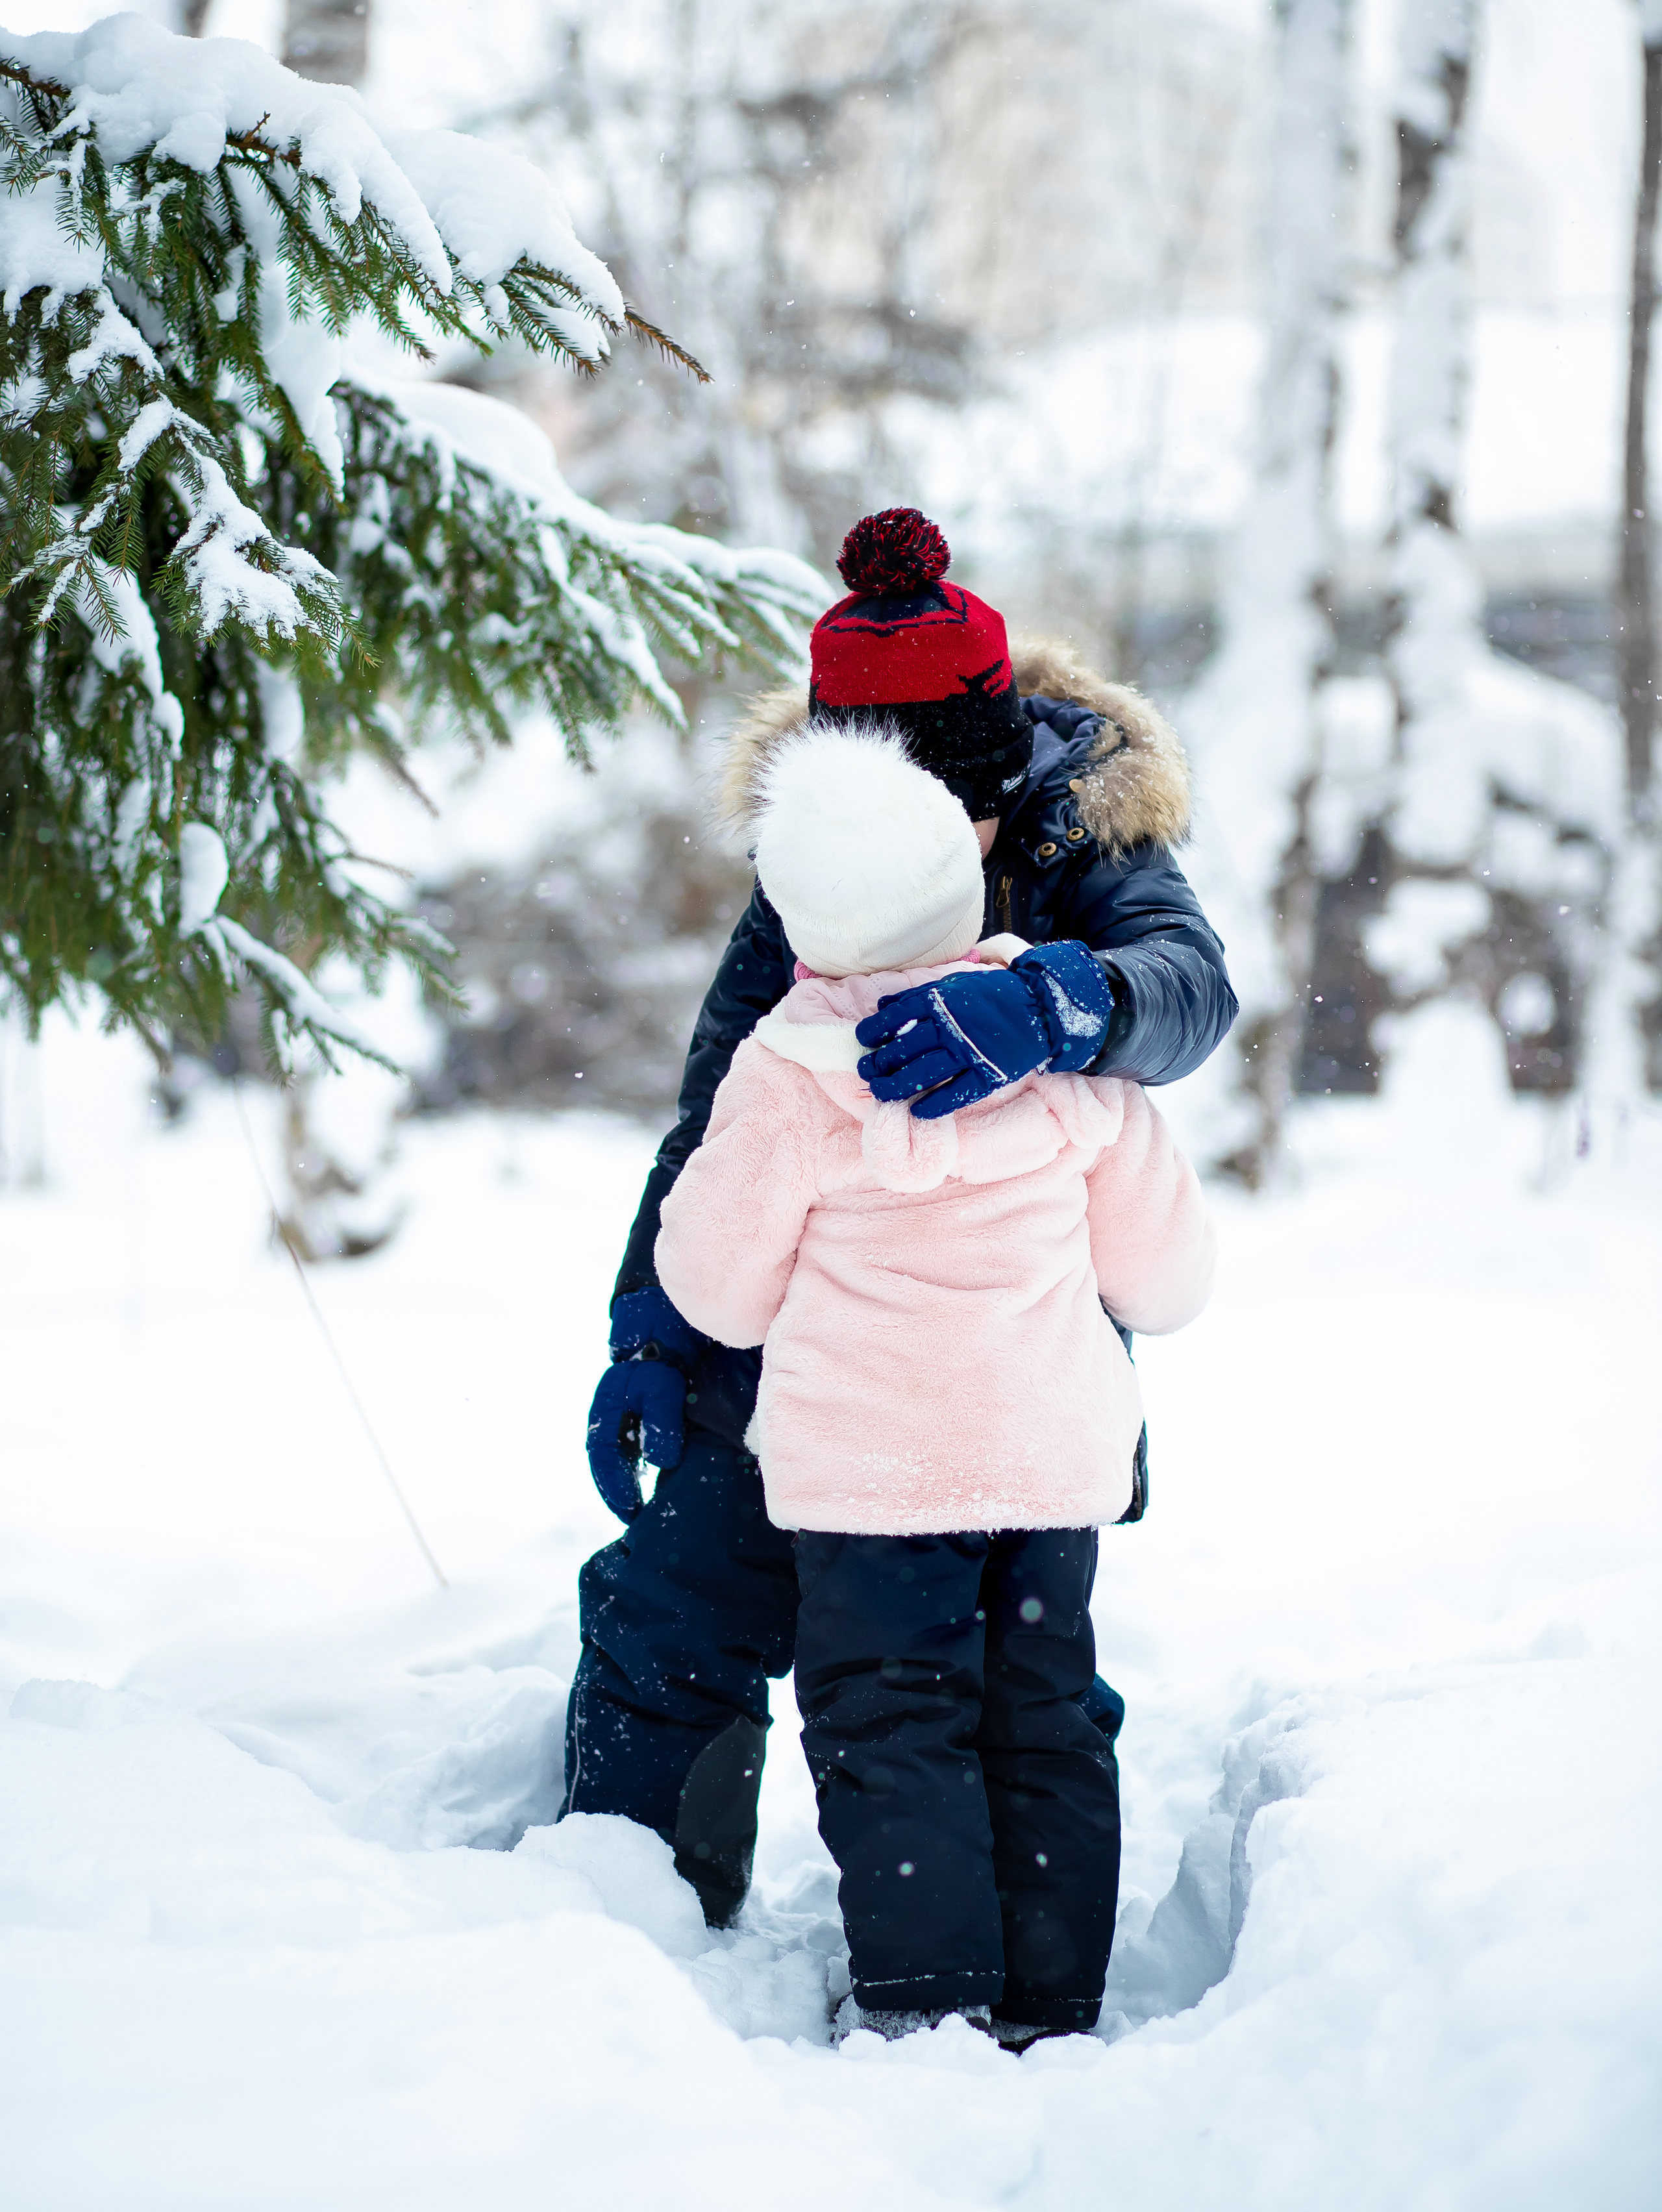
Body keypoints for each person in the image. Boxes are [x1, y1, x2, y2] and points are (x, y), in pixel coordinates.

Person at [559, 508, 1237, 1925]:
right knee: (678, 1581)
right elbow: (717, 1118)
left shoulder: (1083, 828)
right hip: (818, 1318)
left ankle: (1021, 1985)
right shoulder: (812, 867)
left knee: (1005, 1680)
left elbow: (1187, 987)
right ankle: (626, 1919)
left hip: (1014, 1333)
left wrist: (1060, 1002)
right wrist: (650, 1329)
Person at [652, 724, 1217, 2044]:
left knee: (888, 1726)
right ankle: (1051, 1993)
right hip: (1044, 1463)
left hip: (867, 1480)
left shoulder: (784, 1076)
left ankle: (924, 1998)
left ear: (797, 922)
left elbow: (716, 1291)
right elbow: (1168, 1283)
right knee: (1044, 1716)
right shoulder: (1057, 1052)